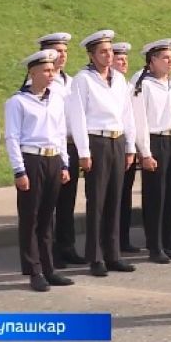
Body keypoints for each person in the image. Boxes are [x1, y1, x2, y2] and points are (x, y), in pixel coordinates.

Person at [67, 30, 137, 277]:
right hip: (96, 140)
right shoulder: (82, 80)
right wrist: (84, 152)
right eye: (103, 52)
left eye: (110, 51)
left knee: (115, 199)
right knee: (96, 199)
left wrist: (130, 146)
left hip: (117, 140)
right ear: (91, 55)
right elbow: (78, 116)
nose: (108, 56)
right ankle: (95, 256)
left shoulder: (119, 79)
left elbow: (127, 113)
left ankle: (113, 253)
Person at [5, 49, 74, 291]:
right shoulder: (18, 102)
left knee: (48, 218)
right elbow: (12, 138)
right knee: (31, 218)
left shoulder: (56, 99)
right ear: (32, 73)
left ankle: (49, 267)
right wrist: (19, 171)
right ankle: (34, 270)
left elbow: (59, 132)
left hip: (53, 159)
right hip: (31, 160)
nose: (51, 74)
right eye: (46, 70)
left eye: (53, 70)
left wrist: (64, 163)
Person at [35, 32, 87, 270]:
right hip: (51, 148)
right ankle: (48, 250)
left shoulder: (71, 81)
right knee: (50, 202)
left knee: (67, 201)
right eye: (58, 51)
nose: (63, 56)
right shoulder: (39, 82)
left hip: (70, 145)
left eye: (66, 51)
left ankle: (67, 246)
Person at [132, 38, 171, 264]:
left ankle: (169, 242)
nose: (170, 61)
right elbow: (139, 121)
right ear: (152, 61)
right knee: (155, 195)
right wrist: (144, 152)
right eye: (165, 58)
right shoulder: (143, 85)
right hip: (154, 141)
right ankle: (155, 245)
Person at [108, 42, 141, 253]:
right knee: (112, 194)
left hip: (128, 145)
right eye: (120, 59)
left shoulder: (129, 87)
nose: (124, 62)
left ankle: (123, 238)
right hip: (111, 142)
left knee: (125, 193)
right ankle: (110, 240)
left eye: (126, 59)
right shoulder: (106, 85)